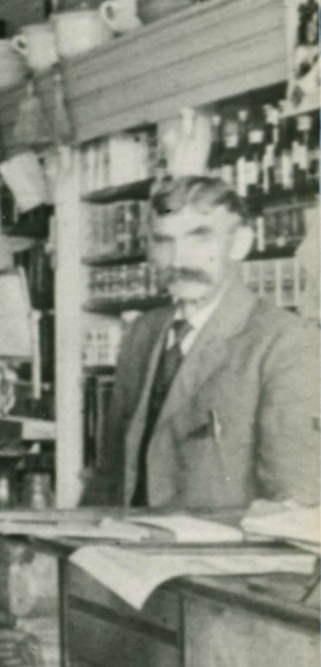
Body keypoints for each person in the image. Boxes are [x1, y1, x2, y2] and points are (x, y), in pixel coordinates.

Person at [86, 176, 319, 510]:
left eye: (200, 237)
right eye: (164, 241)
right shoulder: (142, 333)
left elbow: (293, 498)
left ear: (240, 243)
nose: (179, 260)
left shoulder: (286, 341)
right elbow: (110, 475)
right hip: (134, 539)